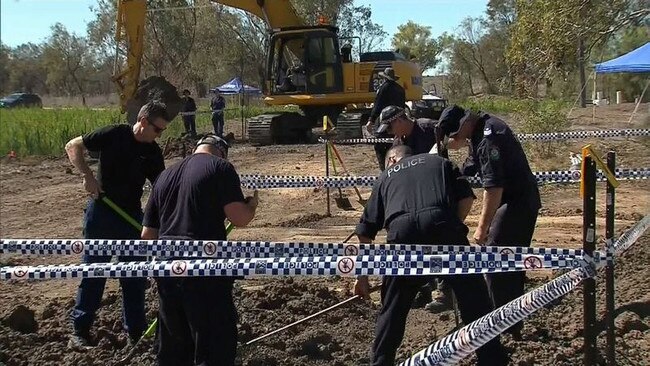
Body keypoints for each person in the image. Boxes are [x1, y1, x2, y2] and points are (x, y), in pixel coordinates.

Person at [354, 145, 508, 366]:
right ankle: (492, 359)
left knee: (393, 307)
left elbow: (365, 233)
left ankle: (381, 362)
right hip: (442, 223)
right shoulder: (441, 162)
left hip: (402, 231)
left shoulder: (385, 176)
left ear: (392, 160)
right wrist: (451, 228)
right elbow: (466, 199)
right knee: (474, 297)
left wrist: (362, 279)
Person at [141, 134, 259, 366]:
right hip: (205, 272)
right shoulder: (221, 168)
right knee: (213, 347)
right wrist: (251, 206)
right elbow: (239, 217)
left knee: (174, 349)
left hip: (167, 271)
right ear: (222, 152)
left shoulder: (165, 176)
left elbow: (147, 235)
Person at [65, 101, 169, 348]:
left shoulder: (153, 153)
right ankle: (79, 331)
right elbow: (73, 145)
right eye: (158, 129)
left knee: (134, 276)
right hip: (101, 212)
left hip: (131, 217)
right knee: (94, 273)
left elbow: (161, 189)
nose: (159, 135)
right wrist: (87, 176)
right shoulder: (115, 134)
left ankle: (136, 332)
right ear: (143, 121)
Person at [437, 104, 541, 339]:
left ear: (464, 123)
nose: (456, 139)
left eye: (455, 134)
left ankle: (502, 324)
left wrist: (481, 230)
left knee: (497, 259)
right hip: (514, 201)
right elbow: (471, 166)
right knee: (507, 263)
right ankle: (509, 322)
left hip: (517, 203)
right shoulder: (480, 131)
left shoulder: (488, 136)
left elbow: (493, 188)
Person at [375, 105, 453, 312]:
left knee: (441, 244)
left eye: (391, 128)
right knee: (416, 246)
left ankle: (446, 293)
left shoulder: (429, 128)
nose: (391, 134)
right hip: (413, 200)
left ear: (400, 120)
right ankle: (422, 290)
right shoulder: (399, 144)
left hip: (437, 193)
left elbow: (452, 142)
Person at [366, 67, 405, 170]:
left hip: (385, 122)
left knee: (379, 145)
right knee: (396, 145)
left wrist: (371, 120)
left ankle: (384, 170)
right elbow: (402, 107)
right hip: (398, 122)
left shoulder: (384, 88)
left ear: (384, 77)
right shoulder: (400, 89)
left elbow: (378, 105)